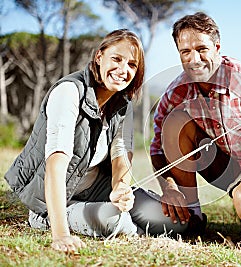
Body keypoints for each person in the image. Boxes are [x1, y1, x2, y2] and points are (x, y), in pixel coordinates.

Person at [5, 29, 187, 253]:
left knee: (174, 221)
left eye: (132, 65)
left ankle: (129, 224)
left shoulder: (123, 104)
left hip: (96, 191)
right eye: (117, 59)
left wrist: (120, 188)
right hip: (55, 199)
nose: (123, 70)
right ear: (99, 56)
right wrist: (61, 235)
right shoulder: (69, 92)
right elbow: (56, 163)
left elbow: (122, 154)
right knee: (112, 220)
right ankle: (48, 220)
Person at [150, 12, 241, 256]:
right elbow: (157, 148)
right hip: (223, 162)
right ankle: (192, 216)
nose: (194, 59)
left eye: (202, 49)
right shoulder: (177, 91)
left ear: (217, 47)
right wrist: (169, 187)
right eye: (186, 52)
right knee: (173, 123)